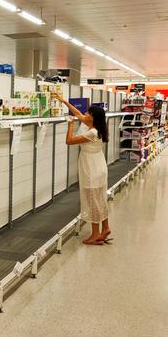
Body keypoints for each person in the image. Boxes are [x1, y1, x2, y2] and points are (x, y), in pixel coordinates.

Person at [57, 97, 110, 245]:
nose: (85, 113)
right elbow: (78, 113)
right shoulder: (98, 127)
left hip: (91, 168)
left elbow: (69, 141)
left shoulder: (91, 133)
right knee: (100, 198)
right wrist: (63, 101)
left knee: (92, 200)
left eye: (88, 113)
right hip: (99, 165)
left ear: (92, 117)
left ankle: (95, 234)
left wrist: (70, 125)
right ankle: (105, 228)